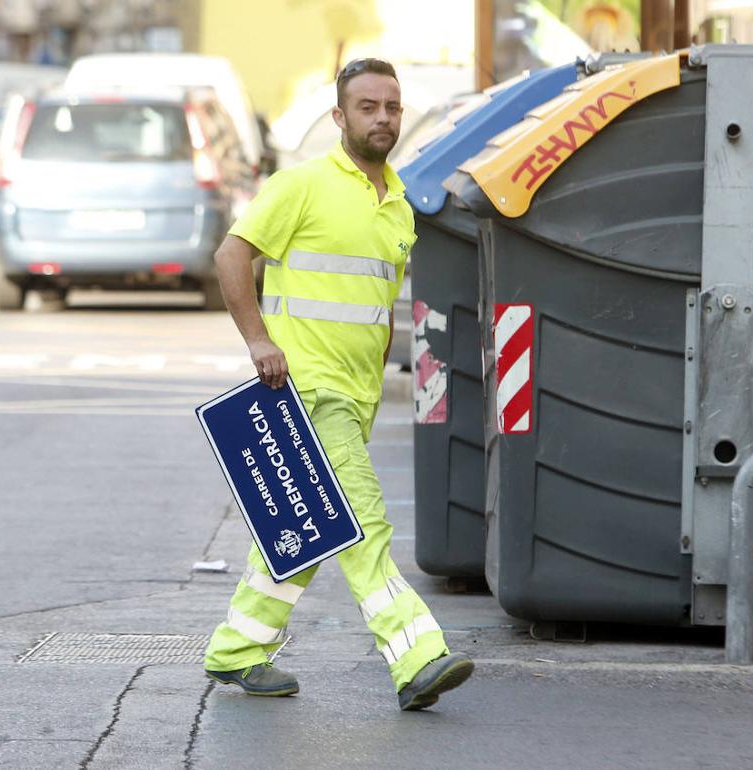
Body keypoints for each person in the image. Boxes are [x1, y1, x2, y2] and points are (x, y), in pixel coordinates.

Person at [202, 57, 474, 711]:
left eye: (391, 107)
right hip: (306, 389)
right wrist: (259, 340)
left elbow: (376, 308)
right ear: (340, 117)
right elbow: (231, 254)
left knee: (308, 528)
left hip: (357, 395)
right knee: (362, 525)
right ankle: (415, 658)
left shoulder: (400, 204)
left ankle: (238, 649)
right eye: (367, 107)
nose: (382, 118)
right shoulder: (302, 185)